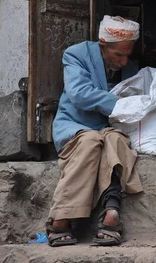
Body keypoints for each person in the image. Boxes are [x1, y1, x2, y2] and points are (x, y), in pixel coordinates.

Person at [46, 16, 143, 247]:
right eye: (119, 54)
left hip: (107, 128)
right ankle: (61, 217)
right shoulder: (76, 55)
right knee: (90, 142)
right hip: (74, 126)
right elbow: (79, 93)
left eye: (127, 54)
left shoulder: (129, 67)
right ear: (103, 46)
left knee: (115, 141)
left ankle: (111, 211)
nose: (123, 60)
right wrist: (118, 103)